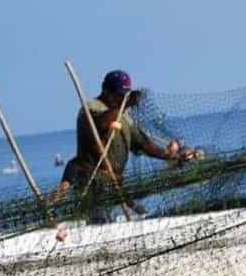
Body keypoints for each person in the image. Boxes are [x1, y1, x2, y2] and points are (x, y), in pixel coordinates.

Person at [54, 70, 193, 223]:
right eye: (120, 95)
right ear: (107, 91)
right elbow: (100, 124)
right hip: (92, 181)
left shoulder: (124, 115)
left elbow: (143, 144)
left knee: (123, 216)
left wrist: (171, 156)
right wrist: (125, 104)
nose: (122, 99)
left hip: (115, 184)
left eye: (125, 95)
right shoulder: (91, 107)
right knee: (98, 220)